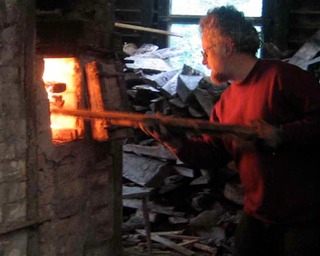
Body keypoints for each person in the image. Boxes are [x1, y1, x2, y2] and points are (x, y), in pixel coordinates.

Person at [139, 5, 320, 256]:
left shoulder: (282, 77)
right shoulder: (227, 101)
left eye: (206, 51)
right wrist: (172, 141)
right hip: (258, 212)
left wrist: (281, 135)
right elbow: (213, 153)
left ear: (226, 47)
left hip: (305, 218)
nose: (203, 60)